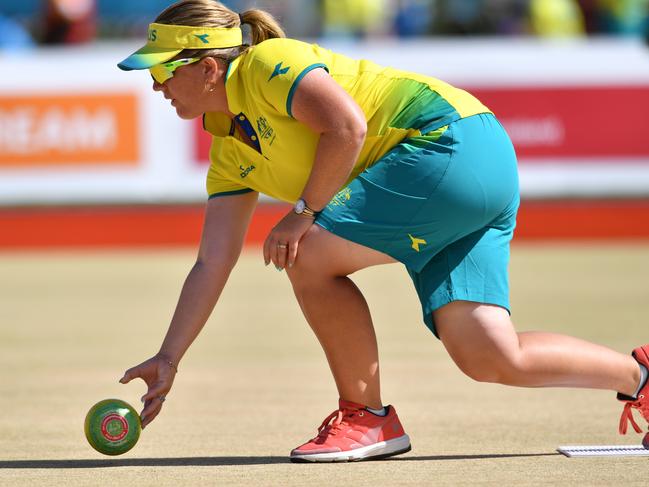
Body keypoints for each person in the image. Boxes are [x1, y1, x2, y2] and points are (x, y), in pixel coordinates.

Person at [117, 0, 649, 462]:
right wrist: (169, 359)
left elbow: (347, 126)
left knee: (304, 253)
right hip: (473, 165)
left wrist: (302, 212)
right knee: (489, 355)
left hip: (449, 144)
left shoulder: (265, 64)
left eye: (164, 70)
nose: (155, 83)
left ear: (209, 67)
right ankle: (641, 379)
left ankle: (366, 417)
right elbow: (212, 261)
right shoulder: (229, 152)